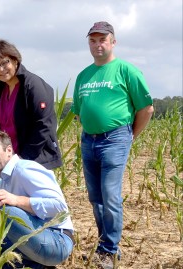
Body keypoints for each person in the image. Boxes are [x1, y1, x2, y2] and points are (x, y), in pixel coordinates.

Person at [71, 21, 154, 268]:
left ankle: (110, 251)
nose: (97, 44)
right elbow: (78, 110)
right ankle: (104, 243)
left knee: (110, 195)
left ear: (113, 42)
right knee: (95, 196)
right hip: (89, 140)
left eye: (102, 39)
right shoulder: (83, 75)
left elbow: (146, 108)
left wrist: (130, 135)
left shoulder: (127, 71)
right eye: (93, 40)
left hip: (115, 139)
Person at [0, 130, 74, 269]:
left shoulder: (24, 169)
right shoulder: (4, 181)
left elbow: (59, 207)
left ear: (8, 150)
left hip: (57, 241)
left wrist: (16, 200)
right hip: (36, 242)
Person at [0, 38, 62, 170]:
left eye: (5, 62)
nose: (1, 69)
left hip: (34, 160)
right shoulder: (0, 87)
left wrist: (24, 158)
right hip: (10, 160)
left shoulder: (32, 85)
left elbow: (44, 125)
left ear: (15, 60)